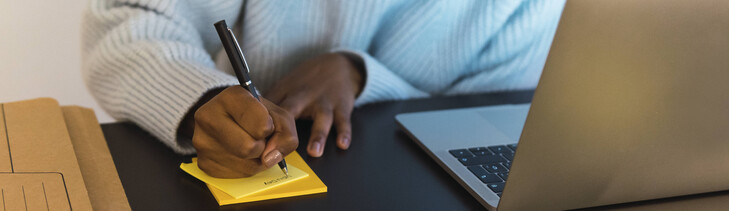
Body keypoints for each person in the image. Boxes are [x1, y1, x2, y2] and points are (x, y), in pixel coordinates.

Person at [82, 0, 564, 178]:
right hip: (259, 159)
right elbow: (129, 22)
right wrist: (199, 98)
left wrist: (360, 75)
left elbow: (508, 109)